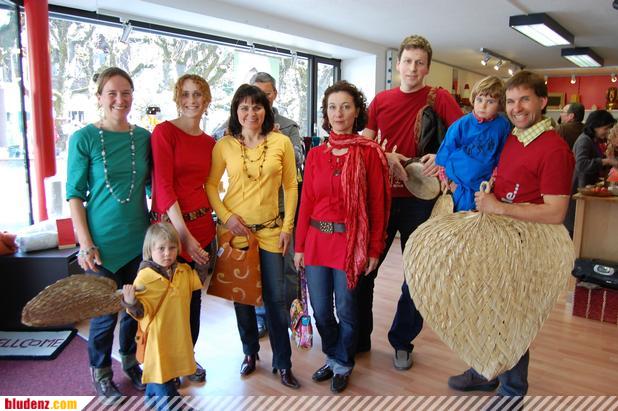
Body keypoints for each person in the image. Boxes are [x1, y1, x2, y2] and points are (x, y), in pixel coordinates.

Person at [448, 71, 574, 406]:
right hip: (497, 238)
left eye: (525, 100)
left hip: (524, 245)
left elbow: (556, 212)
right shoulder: (515, 137)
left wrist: (498, 207)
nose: (516, 108)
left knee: (512, 317)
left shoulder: (554, 149)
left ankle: (512, 391)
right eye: (511, 101)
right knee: (486, 309)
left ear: (542, 102)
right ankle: (485, 370)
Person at [361, 34, 462, 369]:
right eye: (407, 61)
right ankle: (359, 337)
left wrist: (442, 157)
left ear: (428, 67)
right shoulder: (381, 100)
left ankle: (402, 341)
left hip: (421, 201)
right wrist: (385, 155)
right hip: (382, 198)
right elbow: (365, 145)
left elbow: (465, 136)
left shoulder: (439, 98)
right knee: (365, 269)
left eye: (420, 63)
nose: (413, 68)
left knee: (417, 275)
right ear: (398, 64)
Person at [294, 81, 390, 393]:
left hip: (350, 244)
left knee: (347, 310)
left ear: (356, 111)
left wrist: (374, 249)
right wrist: (299, 246)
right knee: (321, 311)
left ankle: (344, 363)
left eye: (346, 106)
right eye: (333, 107)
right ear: (326, 113)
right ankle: (333, 355)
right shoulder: (316, 155)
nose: (339, 113)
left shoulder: (369, 153)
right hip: (316, 242)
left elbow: (377, 205)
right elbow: (306, 202)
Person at [205, 84, 299, 389]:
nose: (251, 113)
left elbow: (291, 186)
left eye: (257, 106)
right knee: (242, 297)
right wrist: (226, 217)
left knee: (276, 299)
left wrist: (287, 227)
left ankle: (283, 362)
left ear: (266, 110)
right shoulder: (224, 145)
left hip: (271, 231)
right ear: (236, 111)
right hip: (236, 233)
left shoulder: (281, 142)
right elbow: (210, 185)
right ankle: (249, 351)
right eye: (244, 107)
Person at [66, 67, 151, 400]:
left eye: (125, 93)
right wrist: (85, 243)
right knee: (104, 315)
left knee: (133, 307)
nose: (120, 99)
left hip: (138, 240)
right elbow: (74, 194)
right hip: (100, 243)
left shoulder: (143, 138)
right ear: (99, 97)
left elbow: (155, 185)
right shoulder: (84, 138)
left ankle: (130, 362)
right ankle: (101, 372)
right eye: (112, 93)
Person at [150, 74, 217, 383]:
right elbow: (164, 187)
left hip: (203, 227)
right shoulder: (164, 133)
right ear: (178, 98)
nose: (192, 100)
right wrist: (184, 237)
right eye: (186, 94)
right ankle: (167, 366)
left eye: (198, 94)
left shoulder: (210, 142)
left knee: (192, 299)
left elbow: (209, 186)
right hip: (171, 231)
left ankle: (188, 358)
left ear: (207, 100)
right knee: (167, 303)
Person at [122, 222, 205, 411]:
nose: (167, 253)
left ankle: (151, 401)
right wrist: (130, 301)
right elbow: (140, 313)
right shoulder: (144, 278)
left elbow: (197, 281)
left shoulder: (182, 271)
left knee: (163, 372)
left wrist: (202, 261)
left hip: (176, 336)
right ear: (150, 250)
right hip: (157, 342)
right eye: (161, 248)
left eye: (172, 248)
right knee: (162, 376)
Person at [435, 76, 510, 212]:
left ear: (500, 104)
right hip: (459, 182)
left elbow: (503, 153)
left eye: (490, 101)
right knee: (458, 215)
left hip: (484, 183)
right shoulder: (461, 124)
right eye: (479, 100)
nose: (483, 106)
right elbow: (446, 149)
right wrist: (444, 177)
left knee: (480, 216)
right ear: (473, 99)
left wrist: (495, 176)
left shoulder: (502, 125)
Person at [564, 110, 617, 234]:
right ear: (595, 126)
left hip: (584, 188)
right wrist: (606, 161)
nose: (608, 132)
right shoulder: (584, 140)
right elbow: (582, 164)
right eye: (606, 128)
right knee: (575, 229)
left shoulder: (592, 140)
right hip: (578, 188)